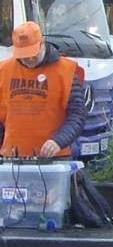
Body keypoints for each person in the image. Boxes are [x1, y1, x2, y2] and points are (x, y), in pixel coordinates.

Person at [0, 21, 85, 158]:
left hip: (55, 159)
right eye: (24, 55)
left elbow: (77, 115)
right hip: (11, 158)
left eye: (33, 53)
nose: (29, 59)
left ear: (43, 42)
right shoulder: (3, 71)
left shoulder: (66, 71)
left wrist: (58, 141)